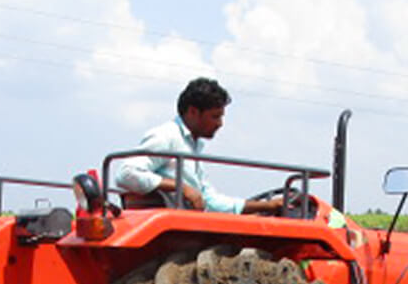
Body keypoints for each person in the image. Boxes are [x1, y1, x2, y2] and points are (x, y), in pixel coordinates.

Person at [115, 77, 284, 214]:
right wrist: (180, 187)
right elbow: (126, 173)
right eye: (215, 116)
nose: (220, 124)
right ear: (193, 112)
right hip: (175, 228)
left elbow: (209, 200)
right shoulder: (167, 136)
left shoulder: (192, 147)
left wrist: (267, 206)